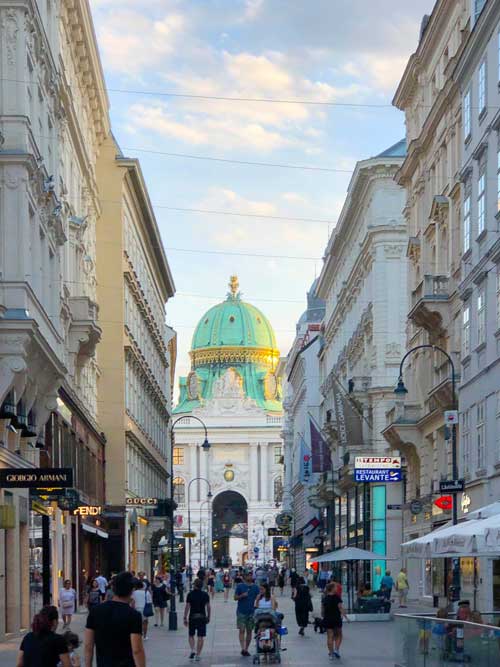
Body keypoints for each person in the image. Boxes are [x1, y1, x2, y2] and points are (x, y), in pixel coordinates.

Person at [84, 570, 145, 667]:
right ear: (131, 590)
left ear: (113, 588)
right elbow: (137, 649)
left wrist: (88, 665)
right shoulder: (133, 615)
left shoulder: (95, 611)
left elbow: (88, 646)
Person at [184, 578, 211, 662]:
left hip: (192, 617)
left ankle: (193, 650)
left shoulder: (190, 594)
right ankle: (198, 655)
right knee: (200, 637)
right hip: (202, 617)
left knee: (191, 635)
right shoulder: (205, 594)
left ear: (194, 585)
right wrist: (208, 616)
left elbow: (187, 606)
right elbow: (208, 606)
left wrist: (185, 617)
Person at [234, 572, 260, 657]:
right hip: (241, 611)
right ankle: (242, 648)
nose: (249, 576)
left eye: (250, 575)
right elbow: (235, 598)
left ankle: (246, 649)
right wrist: (242, 595)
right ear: (244, 576)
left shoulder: (255, 587)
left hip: (251, 612)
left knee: (249, 631)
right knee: (242, 630)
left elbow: (259, 597)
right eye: (248, 575)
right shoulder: (240, 586)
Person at [322, 581, 348, 660]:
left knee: (330, 636)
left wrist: (323, 616)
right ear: (332, 589)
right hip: (336, 618)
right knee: (339, 635)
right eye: (336, 587)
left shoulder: (325, 598)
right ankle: (336, 650)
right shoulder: (337, 597)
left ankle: (331, 653)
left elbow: (322, 610)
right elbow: (340, 608)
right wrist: (346, 616)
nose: (337, 588)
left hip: (328, 618)